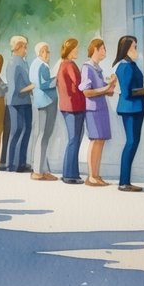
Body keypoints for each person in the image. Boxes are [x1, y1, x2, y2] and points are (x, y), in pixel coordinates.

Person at [113, 35, 144, 192]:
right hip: (131, 108)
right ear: (127, 49)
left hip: (132, 108)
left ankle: (125, 180)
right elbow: (128, 92)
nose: (136, 50)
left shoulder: (127, 64)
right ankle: (124, 181)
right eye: (134, 47)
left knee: (132, 142)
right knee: (131, 143)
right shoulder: (126, 66)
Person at [80, 38, 118, 187]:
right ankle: (91, 176)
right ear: (95, 49)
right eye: (102, 48)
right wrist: (106, 87)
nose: (105, 52)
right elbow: (87, 92)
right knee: (95, 141)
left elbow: (107, 92)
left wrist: (112, 84)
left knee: (100, 141)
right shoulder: (87, 68)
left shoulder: (97, 69)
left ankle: (96, 174)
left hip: (101, 108)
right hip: (93, 109)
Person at [2, 36, 35, 172]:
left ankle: (21, 162)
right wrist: (33, 86)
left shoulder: (23, 62)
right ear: (18, 47)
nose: (26, 50)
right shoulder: (13, 63)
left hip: (25, 101)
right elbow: (15, 88)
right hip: (16, 102)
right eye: (24, 47)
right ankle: (12, 164)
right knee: (17, 131)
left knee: (26, 130)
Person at [56, 38, 87, 184]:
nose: (78, 51)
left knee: (73, 139)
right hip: (74, 106)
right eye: (76, 48)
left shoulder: (62, 65)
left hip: (66, 106)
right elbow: (80, 84)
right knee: (74, 139)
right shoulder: (70, 65)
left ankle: (69, 172)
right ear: (70, 50)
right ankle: (70, 174)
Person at [30, 42, 59, 181]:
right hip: (47, 102)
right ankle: (38, 171)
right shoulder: (42, 65)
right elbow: (43, 84)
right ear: (41, 52)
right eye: (47, 51)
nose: (49, 54)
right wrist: (56, 79)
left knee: (42, 136)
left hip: (41, 102)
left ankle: (42, 169)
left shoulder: (34, 64)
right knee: (44, 136)